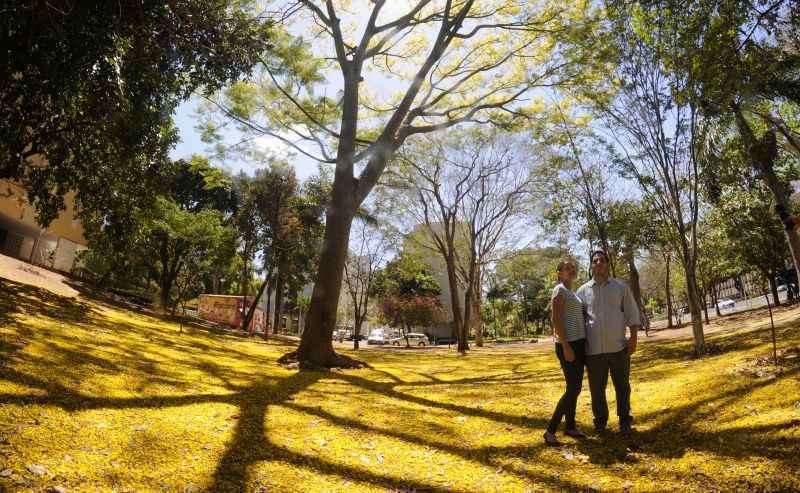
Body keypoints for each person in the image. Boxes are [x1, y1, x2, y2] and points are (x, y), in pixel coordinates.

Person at [576, 250, 641, 434]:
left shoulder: (620, 287)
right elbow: (578, 320)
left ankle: (625, 420)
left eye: (602, 260)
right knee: (597, 390)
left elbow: (632, 313)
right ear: (591, 266)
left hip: (618, 347)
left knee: (622, 386)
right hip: (593, 351)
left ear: (607, 264)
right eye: (595, 261)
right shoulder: (582, 292)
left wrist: (634, 338)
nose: (598, 263)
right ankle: (600, 422)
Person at [543, 259, 587, 446]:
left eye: (571, 268)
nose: (569, 271)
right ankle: (550, 430)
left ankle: (570, 426)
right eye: (565, 269)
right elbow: (557, 319)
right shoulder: (559, 290)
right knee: (573, 389)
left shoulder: (572, 293)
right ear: (559, 273)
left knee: (575, 387)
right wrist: (566, 346)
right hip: (567, 344)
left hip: (578, 343)